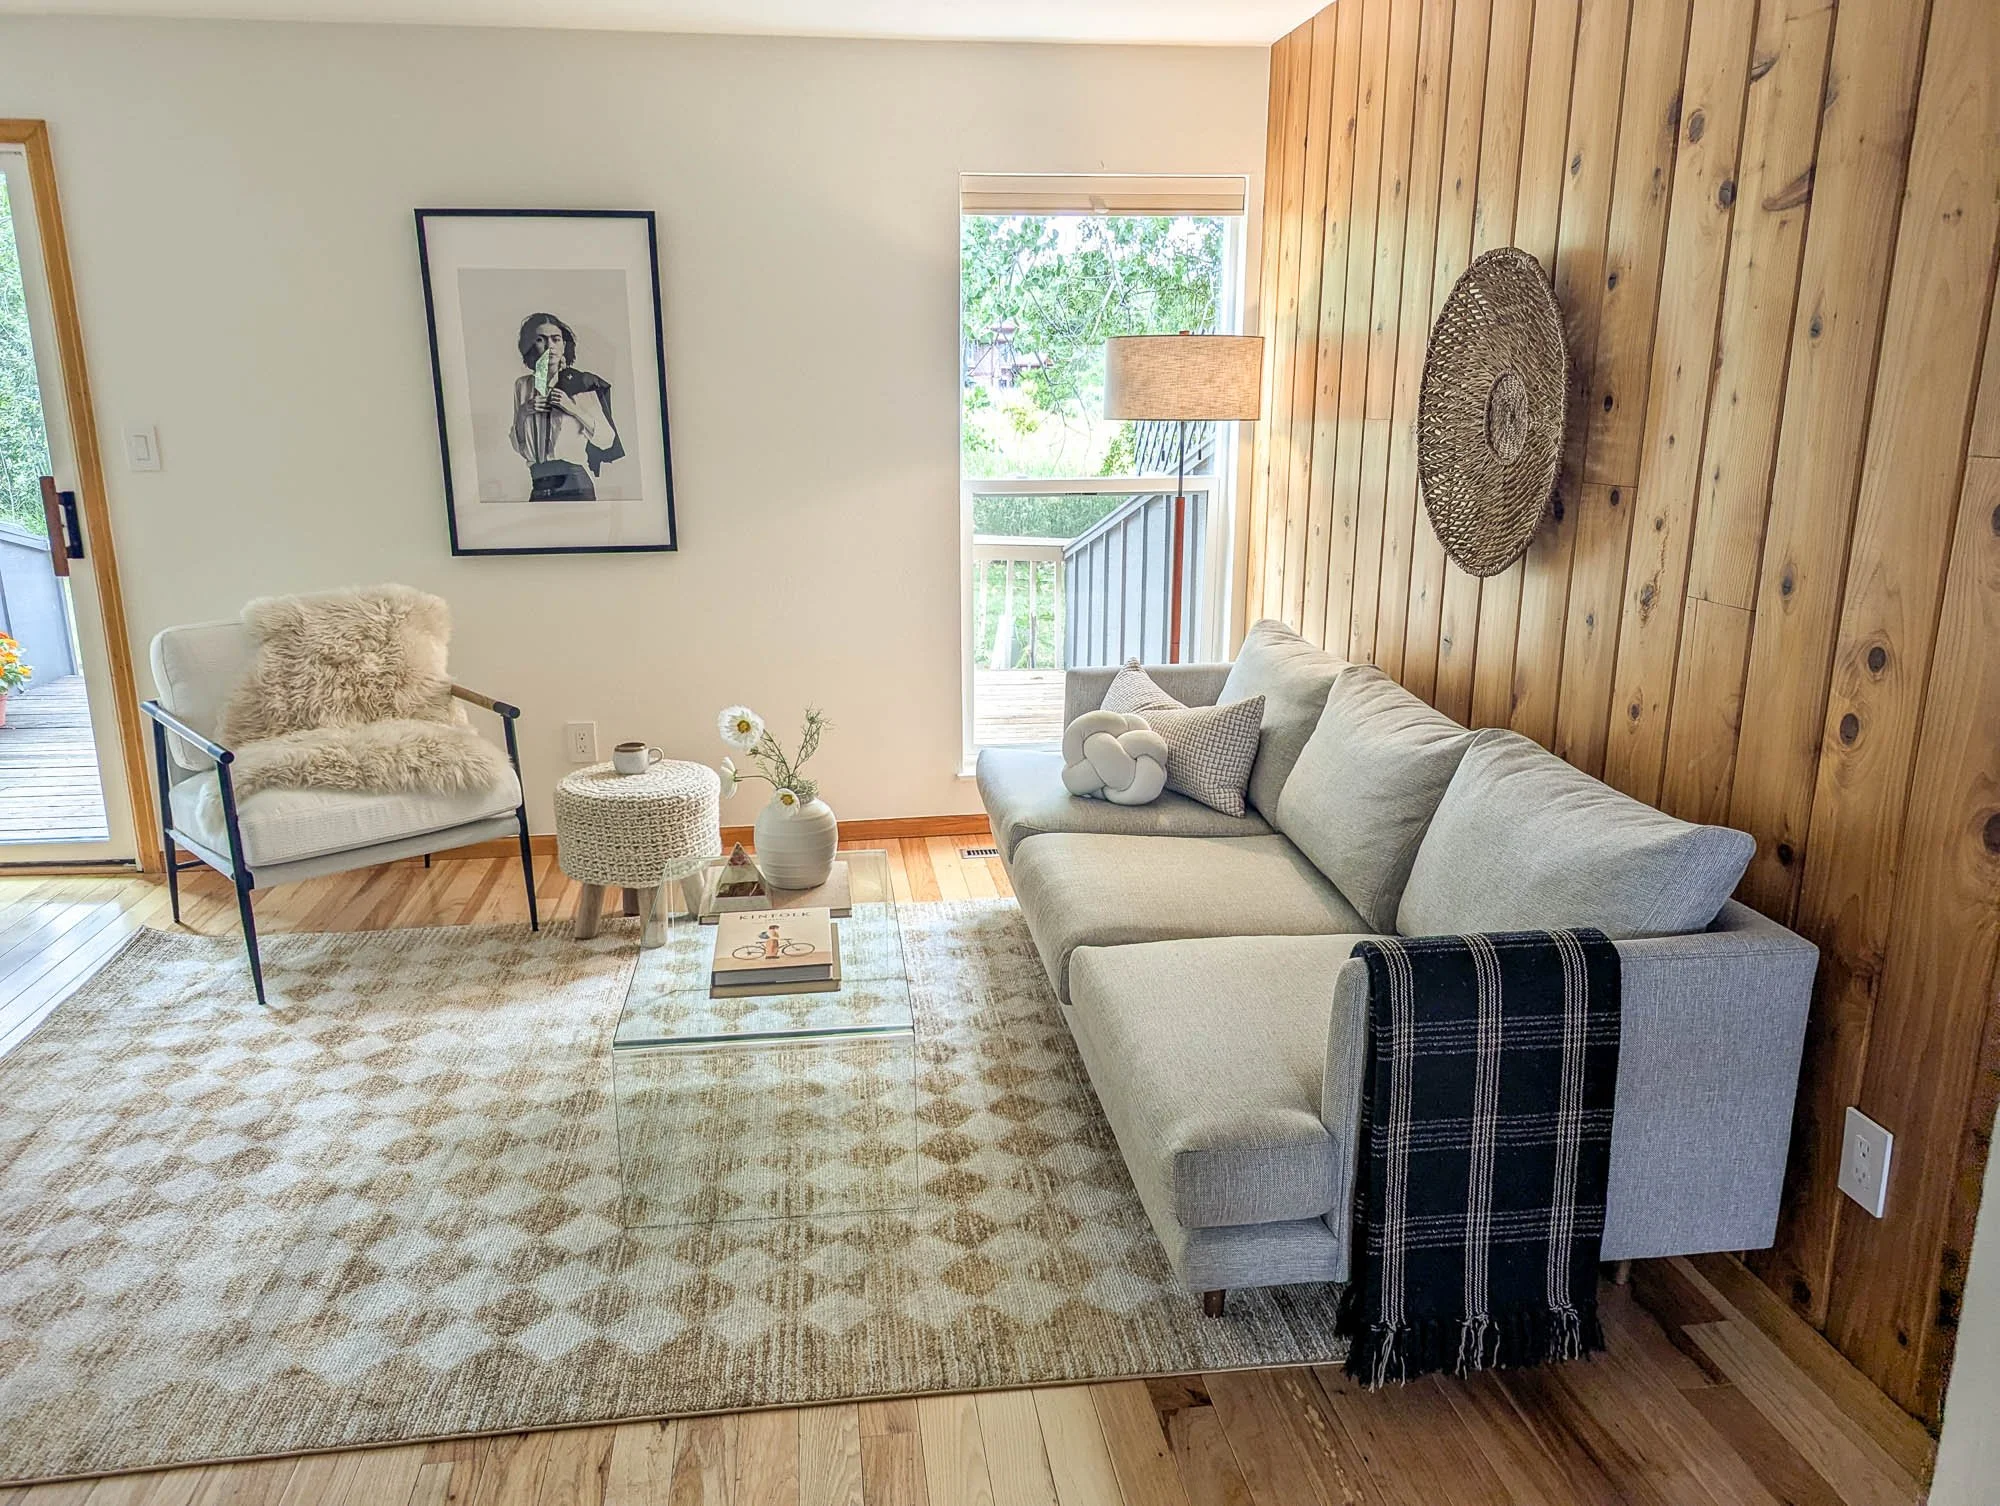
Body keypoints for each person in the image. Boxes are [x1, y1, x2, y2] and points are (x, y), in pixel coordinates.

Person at [508, 312, 624, 501]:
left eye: (556, 339)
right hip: (538, 483)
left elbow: (607, 439)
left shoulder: (580, 383)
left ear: (564, 346)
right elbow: (520, 448)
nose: (550, 346)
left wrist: (573, 408)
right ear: (530, 345)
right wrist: (523, 414)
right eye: (540, 339)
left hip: (574, 485)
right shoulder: (523, 386)